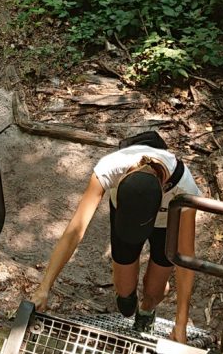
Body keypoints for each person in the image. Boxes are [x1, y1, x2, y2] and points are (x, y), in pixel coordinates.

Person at [30, 128, 201, 339]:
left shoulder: (184, 188)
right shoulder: (110, 168)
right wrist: (44, 286)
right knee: (124, 297)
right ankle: (130, 301)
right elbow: (75, 229)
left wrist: (181, 322)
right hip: (125, 219)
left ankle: (147, 311)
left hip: (166, 224)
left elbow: (186, 256)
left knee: (154, 292)